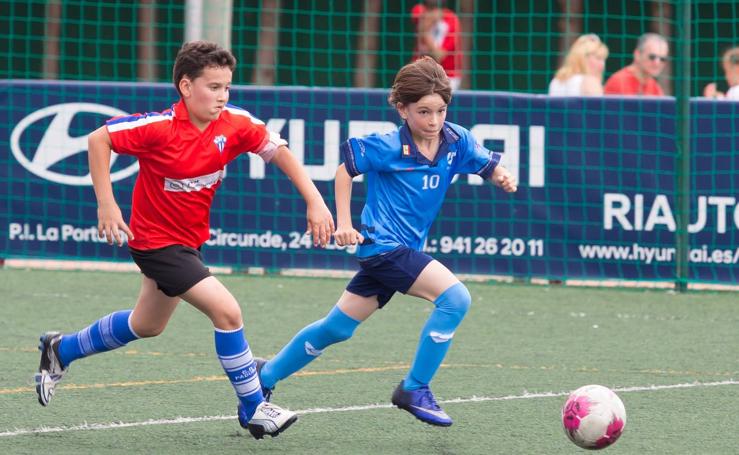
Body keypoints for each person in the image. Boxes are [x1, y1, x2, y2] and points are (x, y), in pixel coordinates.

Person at [34, 41, 335, 440]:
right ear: (186, 86)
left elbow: (278, 151)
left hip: (189, 242)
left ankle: (61, 349)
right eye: (213, 87)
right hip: (154, 243)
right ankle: (254, 407)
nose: (222, 96)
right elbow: (98, 139)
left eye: (227, 87)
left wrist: (314, 200)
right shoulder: (158, 127)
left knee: (147, 324)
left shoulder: (234, 122)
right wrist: (106, 205)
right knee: (227, 312)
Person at [254, 56, 518, 427]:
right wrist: (344, 223)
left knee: (337, 328)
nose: (434, 121)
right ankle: (414, 387)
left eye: (441, 110)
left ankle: (263, 377)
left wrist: (502, 176)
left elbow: (485, 164)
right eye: (424, 112)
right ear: (401, 108)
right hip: (383, 247)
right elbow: (345, 170)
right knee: (455, 298)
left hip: (402, 251)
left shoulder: (457, 140)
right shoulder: (386, 145)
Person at [411, 1, 463, 91]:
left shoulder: (452, 20)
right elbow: (417, 14)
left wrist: (425, 32)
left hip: (447, 75)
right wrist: (427, 23)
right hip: (421, 71)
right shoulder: (419, 11)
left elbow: (438, 55)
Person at [604, 33, 669, 96]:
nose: (657, 63)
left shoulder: (655, 88)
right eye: (652, 57)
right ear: (637, 54)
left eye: (662, 59)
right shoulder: (619, 82)